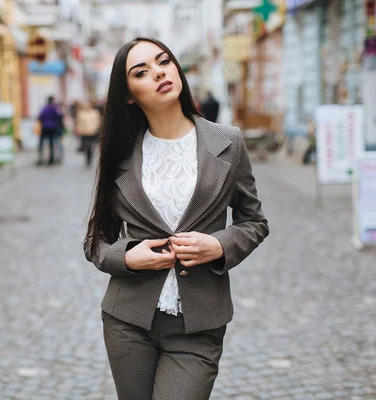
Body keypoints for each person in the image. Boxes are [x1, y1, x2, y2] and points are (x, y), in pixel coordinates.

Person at [83, 37, 269, 399]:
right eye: (142, 72)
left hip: (198, 323)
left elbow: (254, 222)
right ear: (128, 95)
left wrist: (218, 244)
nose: (159, 73)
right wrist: (127, 258)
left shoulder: (227, 142)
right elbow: (97, 240)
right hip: (128, 320)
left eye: (163, 61)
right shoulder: (119, 153)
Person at [36, 96, 62, 166]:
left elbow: (40, 116)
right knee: (52, 144)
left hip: (45, 128)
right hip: (52, 128)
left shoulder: (44, 108)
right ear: (52, 101)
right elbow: (59, 116)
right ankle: (51, 159)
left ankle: (41, 158)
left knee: (42, 143)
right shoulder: (54, 108)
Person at [75, 101, 102, 167]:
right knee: (86, 145)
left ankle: (89, 159)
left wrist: (96, 128)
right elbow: (78, 122)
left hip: (92, 132)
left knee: (90, 146)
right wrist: (78, 129)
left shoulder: (95, 112)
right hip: (84, 132)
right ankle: (87, 157)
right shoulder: (81, 113)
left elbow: (98, 121)